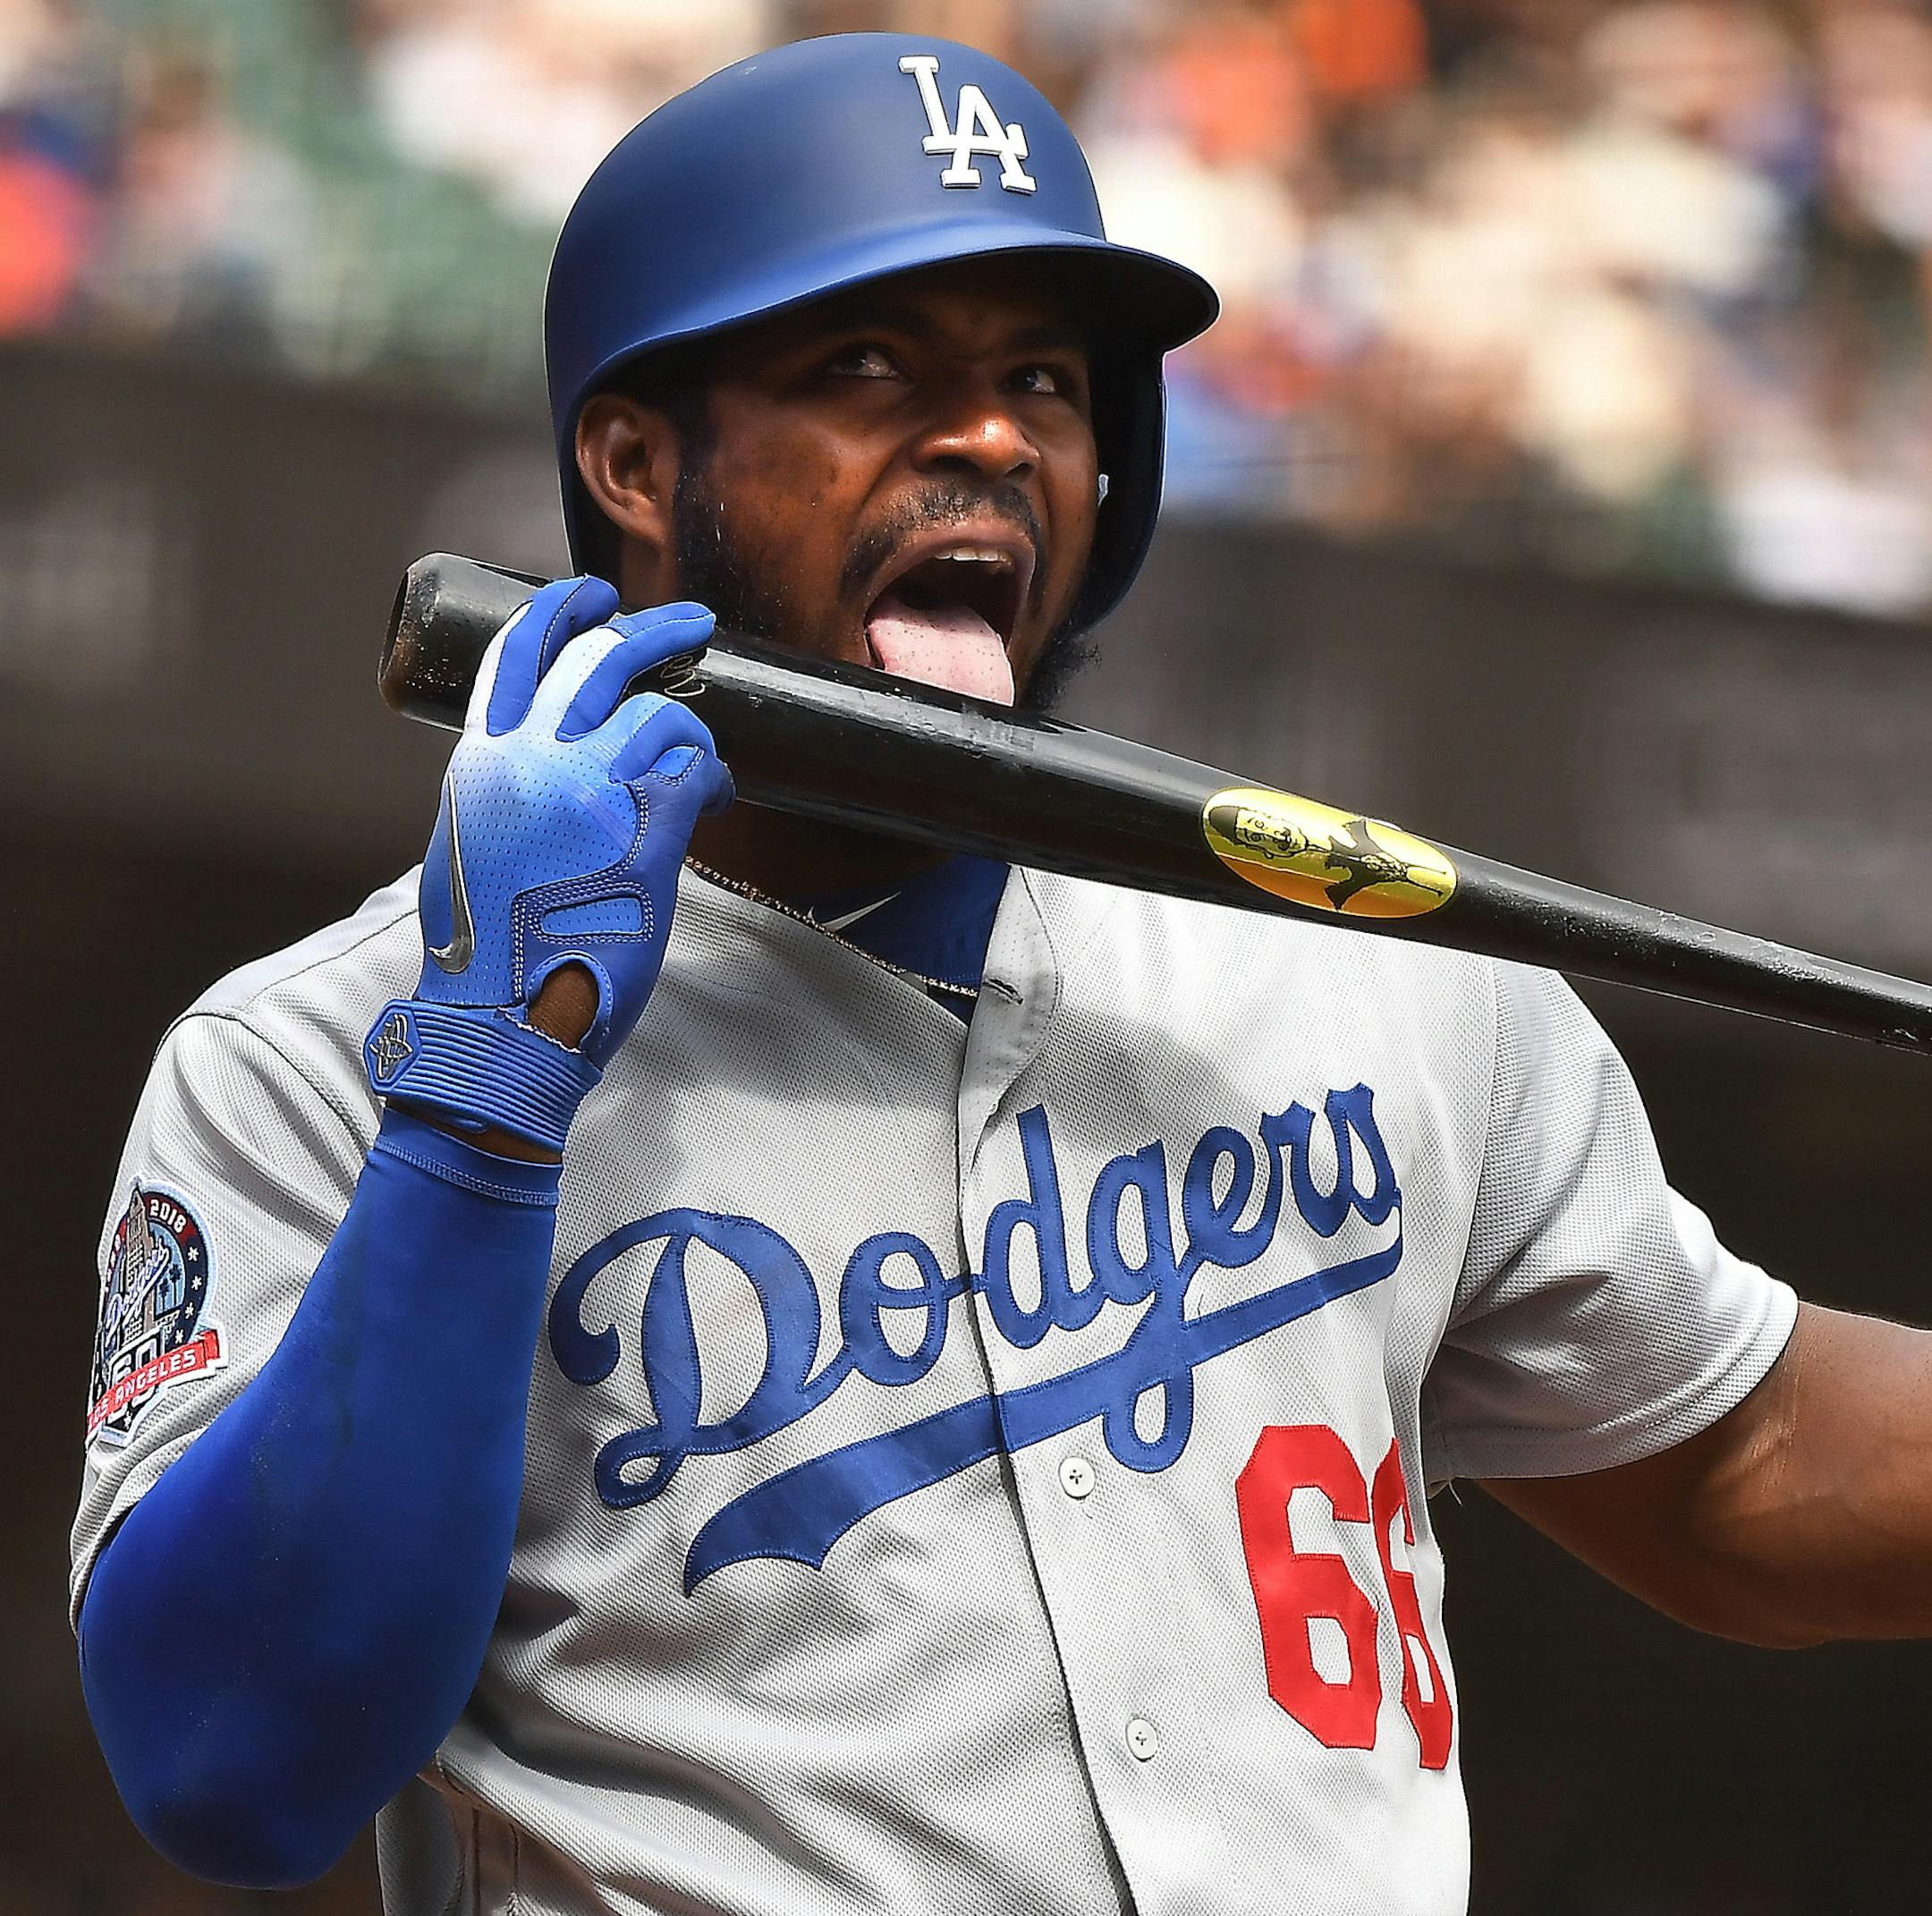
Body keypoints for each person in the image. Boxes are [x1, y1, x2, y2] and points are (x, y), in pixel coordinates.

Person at [69, 33, 1932, 1916]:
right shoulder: (322, 1056)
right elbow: (235, 1766)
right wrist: (481, 1104)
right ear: (634, 461)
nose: (987, 436)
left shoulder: (1368, 966)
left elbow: (1739, 1457)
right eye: (867, 367)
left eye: (1040, 378)